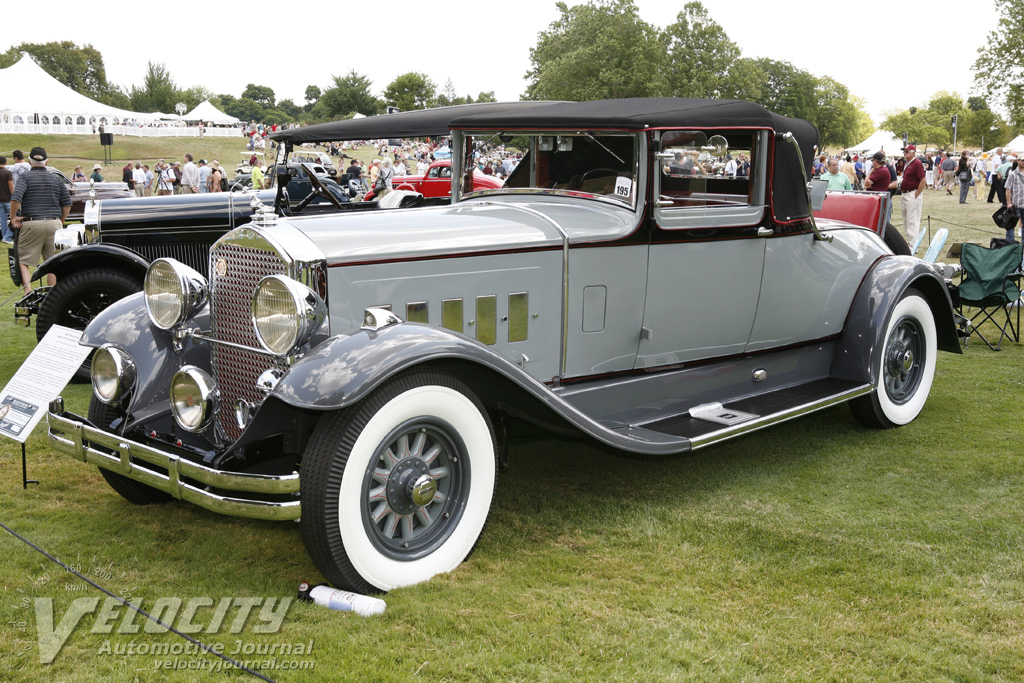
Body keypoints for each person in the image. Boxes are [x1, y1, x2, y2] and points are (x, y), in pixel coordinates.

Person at [9, 147, 71, 294]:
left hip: (32, 222)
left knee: (23, 260)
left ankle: (28, 292)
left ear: (30, 161)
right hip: (54, 223)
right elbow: (67, 203)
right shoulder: (56, 178)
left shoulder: (25, 177)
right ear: (46, 162)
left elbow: (16, 198)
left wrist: (13, 217)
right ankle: (51, 294)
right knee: (53, 262)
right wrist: (61, 220)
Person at [899, 145, 926, 245]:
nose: (904, 153)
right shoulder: (907, 163)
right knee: (906, 220)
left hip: (911, 193)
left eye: (907, 151)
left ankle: (913, 245)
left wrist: (916, 194)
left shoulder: (917, 163)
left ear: (913, 152)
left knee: (912, 220)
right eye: (904, 151)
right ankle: (910, 243)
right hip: (905, 193)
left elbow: (923, 180)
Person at [864, 151, 894, 226]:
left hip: (878, 200)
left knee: (879, 222)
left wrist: (870, 172)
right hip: (877, 198)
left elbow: (866, 182)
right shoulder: (881, 170)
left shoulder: (881, 171)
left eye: (873, 160)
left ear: (876, 161)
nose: (872, 162)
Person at [1002, 156, 1024, 241]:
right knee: (1010, 226)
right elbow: (1008, 189)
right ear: (1018, 161)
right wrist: (1009, 202)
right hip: (1015, 204)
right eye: (1022, 160)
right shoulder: (1013, 174)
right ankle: (1010, 244)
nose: (1023, 162)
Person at [0, 156, 13, 244]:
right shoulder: (8, 173)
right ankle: (8, 237)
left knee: (2, 220)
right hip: (8, 200)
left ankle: (4, 236)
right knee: (15, 218)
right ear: (6, 163)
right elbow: (11, 187)